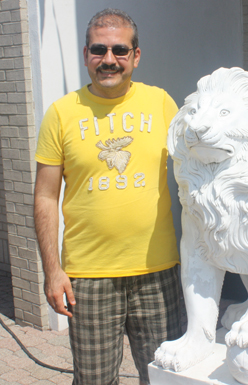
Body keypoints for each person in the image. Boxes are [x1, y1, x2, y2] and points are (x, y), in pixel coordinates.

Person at [34, 9, 181, 385]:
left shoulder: (162, 104)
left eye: (119, 50)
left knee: (168, 376)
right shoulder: (62, 113)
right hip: (88, 276)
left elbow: (197, 174)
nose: (109, 60)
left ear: (136, 55)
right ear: (86, 54)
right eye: (99, 50)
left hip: (157, 271)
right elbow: (46, 197)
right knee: (95, 380)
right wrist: (53, 271)